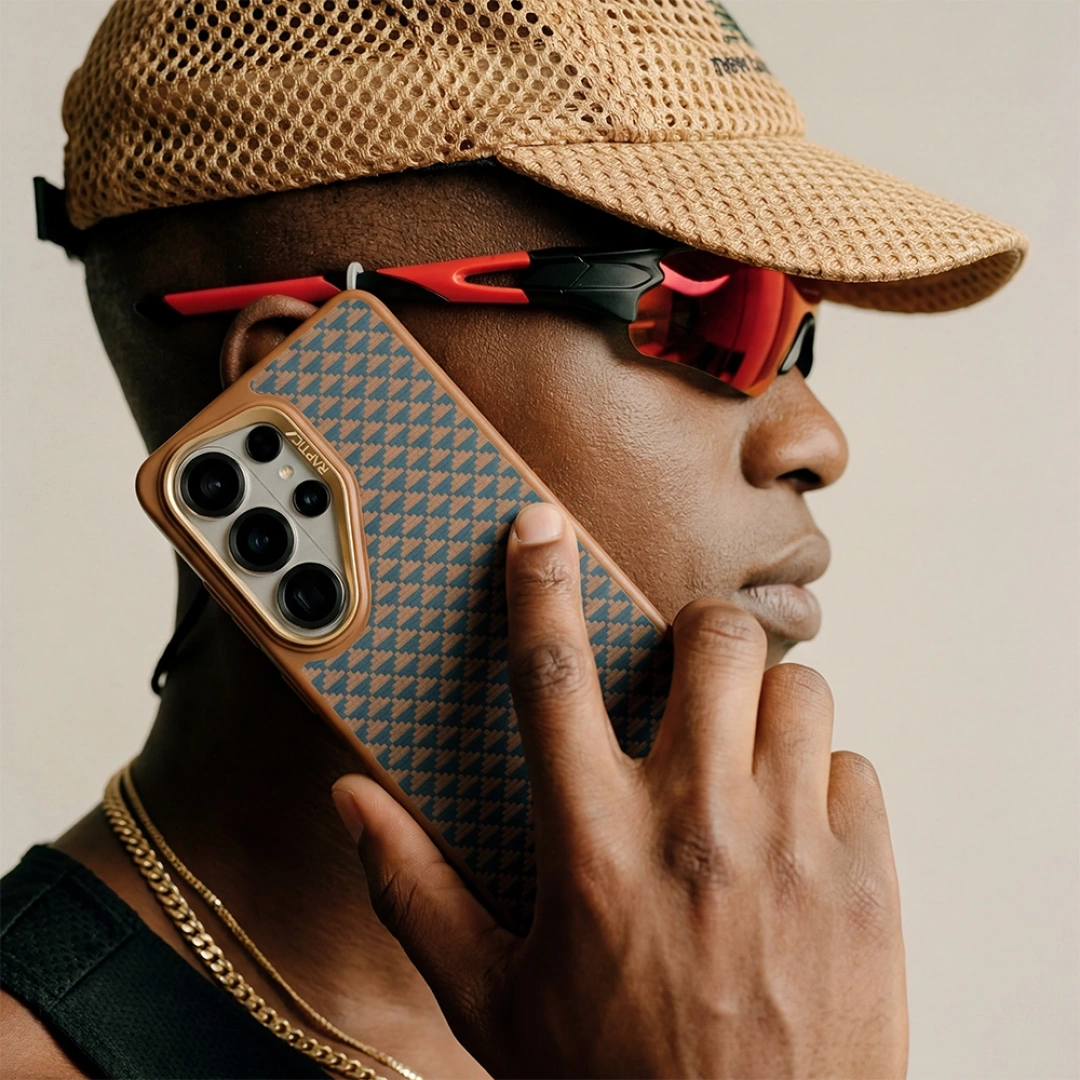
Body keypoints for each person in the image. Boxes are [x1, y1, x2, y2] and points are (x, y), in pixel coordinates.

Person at [1, 2, 1026, 1077]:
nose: (817, 441)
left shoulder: (753, 988)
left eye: (800, 336)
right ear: (311, 400)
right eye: (703, 313)